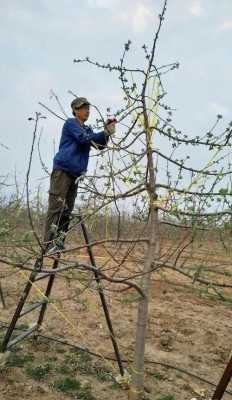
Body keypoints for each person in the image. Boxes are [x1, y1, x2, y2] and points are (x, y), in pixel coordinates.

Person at [43, 96, 116, 254]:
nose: (87, 110)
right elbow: (84, 139)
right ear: (75, 110)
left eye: (88, 108)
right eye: (83, 108)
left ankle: (59, 242)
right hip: (62, 171)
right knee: (56, 207)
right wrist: (103, 133)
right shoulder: (71, 124)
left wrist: (107, 133)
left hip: (75, 175)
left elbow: (100, 145)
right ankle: (47, 244)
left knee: (67, 210)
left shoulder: (88, 130)